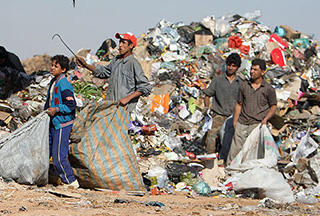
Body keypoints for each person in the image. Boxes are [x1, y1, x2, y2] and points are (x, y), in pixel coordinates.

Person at [76, 32, 151, 113]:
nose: (120, 45)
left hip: (125, 109)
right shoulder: (116, 60)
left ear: (131, 46)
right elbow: (103, 72)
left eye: (123, 42)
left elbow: (145, 87)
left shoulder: (133, 63)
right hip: (112, 107)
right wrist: (86, 65)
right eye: (120, 42)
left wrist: (128, 98)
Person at [227, 58, 277, 165]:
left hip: (257, 125)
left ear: (262, 72)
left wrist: (266, 119)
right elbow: (239, 104)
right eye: (251, 69)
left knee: (252, 153)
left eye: (255, 70)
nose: (251, 72)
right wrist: (235, 122)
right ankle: (229, 171)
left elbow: (273, 106)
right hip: (242, 122)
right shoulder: (244, 86)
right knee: (235, 151)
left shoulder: (268, 89)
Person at [44, 55, 79, 188]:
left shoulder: (64, 84)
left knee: (59, 156)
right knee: (46, 151)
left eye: (55, 66)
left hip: (62, 124)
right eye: (52, 65)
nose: (52, 68)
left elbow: (71, 105)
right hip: (53, 122)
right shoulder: (54, 81)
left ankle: (70, 181)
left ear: (63, 69)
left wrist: (57, 109)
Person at [202, 53, 242, 161]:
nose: (230, 67)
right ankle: (210, 163)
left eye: (233, 66)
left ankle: (227, 162)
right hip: (218, 115)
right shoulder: (217, 80)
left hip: (233, 117)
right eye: (229, 65)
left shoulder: (241, 83)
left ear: (237, 67)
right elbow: (207, 95)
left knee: (232, 140)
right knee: (211, 137)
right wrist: (206, 108)